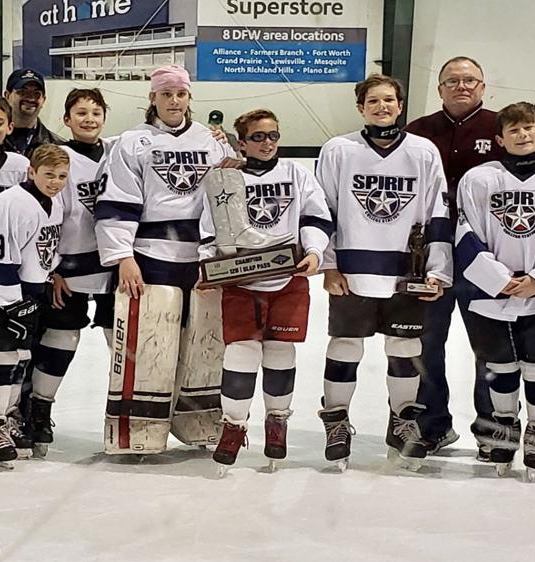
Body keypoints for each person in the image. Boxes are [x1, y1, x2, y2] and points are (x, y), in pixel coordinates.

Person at [93, 63, 239, 450]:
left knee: (204, 345)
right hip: (150, 256)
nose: (175, 101)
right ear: (152, 98)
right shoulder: (132, 142)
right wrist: (123, 256)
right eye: (167, 94)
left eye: (181, 94)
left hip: (202, 258)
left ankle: (198, 423)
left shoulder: (212, 141)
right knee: (150, 348)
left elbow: (228, 199)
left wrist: (225, 255)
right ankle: (137, 432)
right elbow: (117, 201)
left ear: (189, 97)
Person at [313, 73, 451, 470]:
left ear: (400, 105)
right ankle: (337, 422)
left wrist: (438, 269)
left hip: (406, 272)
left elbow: (437, 213)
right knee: (345, 345)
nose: (382, 107)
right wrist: (329, 264)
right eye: (373, 101)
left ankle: (402, 422)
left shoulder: (423, 151)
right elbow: (323, 211)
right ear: (361, 108)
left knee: (405, 348)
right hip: (353, 271)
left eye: (388, 100)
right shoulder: (339, 150)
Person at [194, 108, 330, 473]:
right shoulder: (226, 178)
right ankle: (234, 425)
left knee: (280, 350)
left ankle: (277, 421)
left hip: (288, 276)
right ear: (242, 143)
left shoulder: (297, 174)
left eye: (273, 135)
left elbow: (315, 216)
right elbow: (211, 227)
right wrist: (208, 265)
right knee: (241, 351)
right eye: (258, 137)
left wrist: (315, 251)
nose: (267, 143)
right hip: (242, 279)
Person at [453, 102, 535, 475]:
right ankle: (505, 428)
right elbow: (465, 233)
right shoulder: (478, 179)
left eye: (529, 127)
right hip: (492, 294)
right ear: (500, 139)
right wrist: (498, 280)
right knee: (500, 366)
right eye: (513, 130)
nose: (523, 135)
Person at [404, 55, 500, 457]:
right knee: (424, 344)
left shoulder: (503, 127)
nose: (462, 86)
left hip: (487, 258)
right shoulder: (417, 132)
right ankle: (432, 426)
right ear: (440, 88)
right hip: (428, 257)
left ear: (483, 86)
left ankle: (494, 430)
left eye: (470, 80)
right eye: (453, 81)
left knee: (491, 347)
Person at [23, 88, 116, 455]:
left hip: (113, 265)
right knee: (63, 339)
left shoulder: (118, 151)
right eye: (80, 113)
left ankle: (128, 412)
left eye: (95, 112)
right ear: (66, 119)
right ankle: (39, 410)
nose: (89, 119)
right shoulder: (58, 158)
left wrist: (218, 138)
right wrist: (50, 269)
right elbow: (43, 219)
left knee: (121, 342)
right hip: (67, 268)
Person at [0, 143, 69, 468]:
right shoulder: (13, 201)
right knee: (2, 358)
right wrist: (10, 304)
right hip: (4, 296)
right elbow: (0, 255)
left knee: (21, 359)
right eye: (49, 174)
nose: (55, 182)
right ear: (31, 171)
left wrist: (51, 274)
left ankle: (9, 417)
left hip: (31, 294)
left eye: (62, 176)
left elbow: (44, 249)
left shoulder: (53, 203)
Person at [2, 67, 64, 154]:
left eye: (36, 94)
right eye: (22, 92)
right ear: (7, 96)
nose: (30, 98)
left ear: (43, 100)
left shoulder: (57, 148)